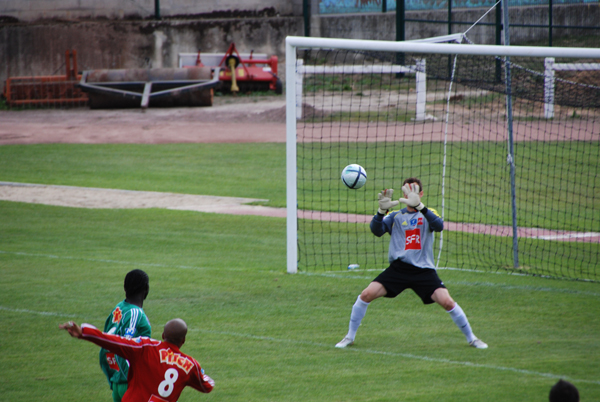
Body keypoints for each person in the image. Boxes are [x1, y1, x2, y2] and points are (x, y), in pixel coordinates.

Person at [335, 177, 488, 349]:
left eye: (414, 191)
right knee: (365, 295)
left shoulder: (429, 213)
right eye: (406, 191)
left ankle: (472, 338)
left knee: (447, 302)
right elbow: (376, 231)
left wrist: (420, 207)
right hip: (398, 269)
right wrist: (380, 212)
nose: (409, 195)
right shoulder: (395, 216)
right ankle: (349, 337)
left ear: (421, 194)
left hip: (423, 270)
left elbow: (439, 226)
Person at [60, 318, 214, 402]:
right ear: (184, 340)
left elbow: (114, 341)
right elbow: (207, 386)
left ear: (162, 335)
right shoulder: (190, 365)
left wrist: (83, 333)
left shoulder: (145, 347)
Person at [100, 269, 152, 402]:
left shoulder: (118, 309)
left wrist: (113, 377)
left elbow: (104, 348)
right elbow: (124, 347)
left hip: (118, 384)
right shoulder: (135, 313)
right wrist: (132, 381)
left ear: (125, 287)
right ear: (146, 288)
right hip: (130, 385)